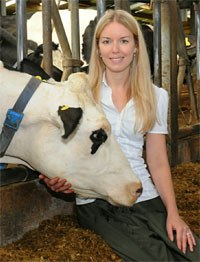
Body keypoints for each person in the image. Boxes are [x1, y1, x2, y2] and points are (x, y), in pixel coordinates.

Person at [39, 9, 199, 261]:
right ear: (98, 48)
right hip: (99, 201)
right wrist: (56, 178)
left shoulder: (156, 96)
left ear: (136, 46)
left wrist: (173, 213)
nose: (116, 49)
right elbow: (61, 150)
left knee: (192, 253)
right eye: (107, 41)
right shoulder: (78, 93)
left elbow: (157, 161)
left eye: (124, 41)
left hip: (144, 196)